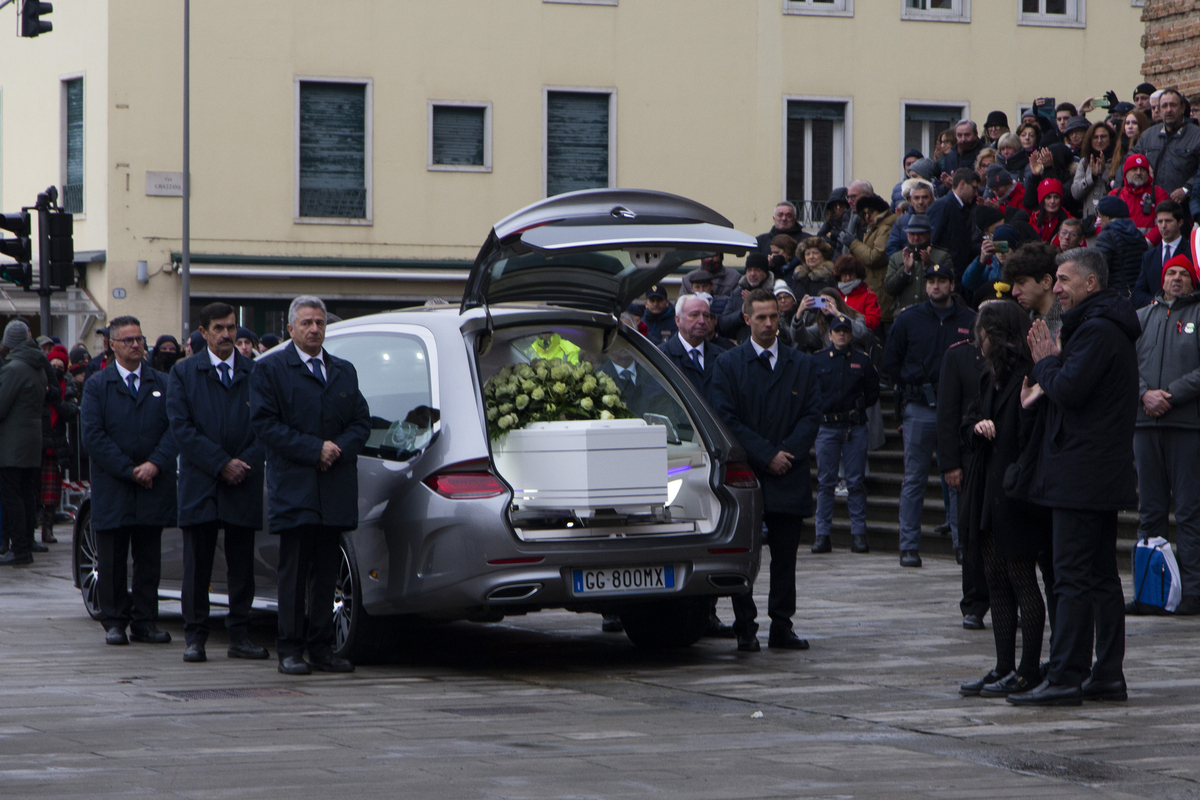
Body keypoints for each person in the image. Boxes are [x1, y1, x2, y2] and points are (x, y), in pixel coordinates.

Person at [1011, 248, 1138, 707]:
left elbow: (1068, 390)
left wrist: (1045, 360)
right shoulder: (1100, 327)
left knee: (1072, 578)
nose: (1057, 287)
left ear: (1091, 284)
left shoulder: (1098, 331)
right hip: (1094, 472)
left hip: (1082, 475)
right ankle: (1105, 675)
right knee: (1101, 576)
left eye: (1064, 280)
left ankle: (1066, 675)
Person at [250, 296, 370, 675]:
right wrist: (313, 449)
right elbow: (266, 426)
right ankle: (290, 648)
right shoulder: (270, 370)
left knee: (326, 572)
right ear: (290, 329)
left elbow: (361, 423)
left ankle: (321, 647)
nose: (314, 329)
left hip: (333, 488)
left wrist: (337, 449)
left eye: (319, 322)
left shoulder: (344, 371)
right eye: (306, 323)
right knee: (294, 572)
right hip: (296, 488)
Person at [710, 287, 822, 652]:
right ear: (746, 319)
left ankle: (782, 624)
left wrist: (787, 452)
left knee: (786, 557)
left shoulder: (801, 363)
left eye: (774, 316)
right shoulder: (729, 364)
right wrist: (765, 455)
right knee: (743, 554)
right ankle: (745, 624)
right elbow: (726, 419)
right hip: (748, 475)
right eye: (761, 317)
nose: (769, 324)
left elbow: (811, 413)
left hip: (789, 472)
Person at [167, 302, 269, 664]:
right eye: (219, 328)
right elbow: (182, 428)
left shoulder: (256, 373)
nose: (227, 334)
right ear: (204, 332)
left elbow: (266, 425)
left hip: (244, 479)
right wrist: (221, 463)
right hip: (202, 482)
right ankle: (195, 637)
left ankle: (240, 634)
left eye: (231, 327)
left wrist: (243, 463)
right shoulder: (184, 374)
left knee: (242, 566)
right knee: (197, 566)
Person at [958, 301, 1051, 698]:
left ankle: (1028, 670)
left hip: (1017, 493)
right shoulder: (989, 378)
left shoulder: (1028, 376)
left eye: (985, 333)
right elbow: (969, 419)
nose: (979, 341)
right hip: (988, 491)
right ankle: (1003, 666)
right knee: (995, 581)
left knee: (1021, 580)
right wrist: (976, 427)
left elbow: (1034, 434)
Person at [80, 315, 178, 645]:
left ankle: (145, 621)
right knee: (112, 559)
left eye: (139, 339)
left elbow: (175, 429)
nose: (137, 345)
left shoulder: (163, 383)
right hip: (115, 486)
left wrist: (154, 465)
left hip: (153, 484)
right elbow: (93, 436)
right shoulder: (97, 385)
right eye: (128, 340)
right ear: (112, 344)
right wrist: (130, 469)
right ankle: (115, 621)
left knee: (149, 558)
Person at [883, 263, 976, 567]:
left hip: (957, 411)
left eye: (942, 281)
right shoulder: (909, 318)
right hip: (920, 406)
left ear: (952, 285)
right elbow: (891, 362)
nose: (936, 286)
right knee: (914, 479)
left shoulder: (969, 319)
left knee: (956, 478)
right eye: (931, 281)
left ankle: (961, 543)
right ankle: (908, 546)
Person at [659, 294, 734, 638]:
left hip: (717, 454)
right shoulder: (662, 358)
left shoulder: (724, 357)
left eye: (706, 315)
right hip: (680, 457)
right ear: (678, 320)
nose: (701, 320)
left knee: (713, 532)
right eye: (693, 315)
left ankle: (709, 613)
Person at [1131, 254, 1200, 616]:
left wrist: (1170, 394)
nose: (1176, 278)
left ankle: (1193, 592)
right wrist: (1144, 393)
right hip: (1145, 425)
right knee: (1150, 511)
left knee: (1189, 512)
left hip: (1187, 426)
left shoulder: (1199, 315)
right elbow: (1124, 363)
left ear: (1192, 280)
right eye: (1170, 272)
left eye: (1182, 274)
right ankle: (1150, 592)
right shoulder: (1142, 317)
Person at [811, 315, 879, 555]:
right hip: (827, 426)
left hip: (853, 426)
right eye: (837, 331)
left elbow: (872, 393)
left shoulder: (862, 361)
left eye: (845, 331)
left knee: (855, 482)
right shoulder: (818, 360)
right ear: (829, 335)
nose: (841, 335)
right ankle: (822, 535)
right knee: (826, 482)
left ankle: (858, 535)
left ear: (850, 335)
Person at [938, 332, 989, 627]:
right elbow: (947, 413)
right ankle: (974, 603)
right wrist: (950, 464)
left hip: (1004, 458)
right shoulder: (958, 357)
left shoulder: (1016, 353)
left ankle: (1014, 598)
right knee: (971, 533)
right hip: (969, 457)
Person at [0, 322, 50, 567]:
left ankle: (19, 548)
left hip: (12, 445)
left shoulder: (14, 368)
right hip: (31, 441)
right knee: (27, 494)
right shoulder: (36, 365)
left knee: (13, 496)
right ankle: (26, 542)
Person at [1132, 89, 1200, 206]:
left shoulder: (1196, 135)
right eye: (1164, 106)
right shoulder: (1148, 135)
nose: (1168, 110)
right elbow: (1129, 160)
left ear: (1182, 108)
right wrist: (1142, 165)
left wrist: (1186, 189)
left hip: (1185, 206)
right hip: (1153, 206)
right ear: (1158, 109)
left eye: (1173, 105)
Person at [38, 344, 77, 546]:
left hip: (57, 444)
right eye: (53, 363)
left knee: (52, 494)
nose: (56, 367)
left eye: (60, 365)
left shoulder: (68, 386)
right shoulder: (39, 381)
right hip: (39, 444)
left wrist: (57, 399)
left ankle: (47, 528)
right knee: (36, 491)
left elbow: (71, 411)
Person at [883, 214, 954, 315]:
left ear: (929, 234)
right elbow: (889, 289)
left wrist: (930, 266)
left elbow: (950, 284)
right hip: (904, 315)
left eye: (920, 234)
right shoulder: (897, 257)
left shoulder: (942, 256)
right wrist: (905, 270)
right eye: (912, 234)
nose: (916, 238)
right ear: (907, 235)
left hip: (933, 315)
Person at [1132, 201, 1192, 308]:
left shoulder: (1192, 252)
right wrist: (1158, 302)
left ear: (1180, 223)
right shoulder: (1149, 257)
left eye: (1168, 221)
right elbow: (1137, 294)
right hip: (1157, 316)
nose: (1163, 226)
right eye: (1160, 221)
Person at [844, 195, 897, 315]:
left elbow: (874, 257)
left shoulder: (885, 228)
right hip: (876, 288)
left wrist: (853, 244)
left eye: (868, 212)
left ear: (878, 209)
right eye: (863, 215)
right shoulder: (875, 228)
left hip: (881, 292)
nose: (866, 217)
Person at [1109, 153, 1171, 247]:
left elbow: (1164, 223)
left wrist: (1145, 243)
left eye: (1142, 169)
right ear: (1126, 172)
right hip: (1119, 250)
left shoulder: (1159, 194)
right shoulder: (1114, 195)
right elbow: (1101, 223)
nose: (1138, 172)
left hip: (1149, 249)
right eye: (1134, 169)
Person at [1093, 195, 1149, 298]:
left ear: (1108, 217)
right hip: (1139, 295)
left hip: (1115, 298)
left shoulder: (1106, 236)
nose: (1100, 220)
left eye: (1100, 216)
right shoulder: (1138, 235)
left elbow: (1098, 269)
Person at [1005, 242, 1064, 339]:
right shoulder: (1024, 324)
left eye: (1021, 282)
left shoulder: (1071, 323)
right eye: (1014, 284)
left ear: (1046, 281)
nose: (1014, 292)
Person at [928, 167, 980, 274]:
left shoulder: (961, 208)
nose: (976, 194)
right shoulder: (943, 206)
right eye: (973, 188)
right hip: (945, 274)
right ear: (962, 184)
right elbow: (932, 241)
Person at [718, 253, 773, 343]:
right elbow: (723, 324)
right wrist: (741, 313)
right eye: (749, 270)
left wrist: (756, 304)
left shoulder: (776, 290)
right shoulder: (737, 293)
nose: (752, 274)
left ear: (765, 272)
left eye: (757, 270)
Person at [961, 225, 1021, 302]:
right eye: (998, 247)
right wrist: (981, 261)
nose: (1001, 253)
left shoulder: (1021, 268)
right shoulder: (991, 269)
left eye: (1005, 247)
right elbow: (968, 282)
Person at [1071, 122, 1117, 220]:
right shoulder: (1085, 162)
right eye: (1095, 137)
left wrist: (1105, 174)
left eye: (1103, 136)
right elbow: (1075, 192)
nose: (1099, 141)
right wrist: (1092, 177)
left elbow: (1120, 188)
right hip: (1089, 221)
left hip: (1111, 218)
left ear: (1110, 138)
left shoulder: (1117, 160)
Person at [886, 178, 936, 259]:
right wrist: (905, 266)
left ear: (932, 199)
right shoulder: (901, 221)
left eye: (925, 197)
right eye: (916, 198)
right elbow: (891, 249)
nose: (920, 201)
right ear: (911, 201)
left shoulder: (939, 218)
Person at [832, 255, 881, 332]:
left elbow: (874, 322)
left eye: (851, 274)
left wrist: (851, 319)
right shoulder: (834, 295)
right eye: (844, 275)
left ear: (857, 274)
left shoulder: (868, 295)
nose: (848, 278)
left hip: (859, 337)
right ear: (839, 276)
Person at [1029, 179, 1072, 244]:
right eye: (1048, 197)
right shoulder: (1033, 220)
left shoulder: (1070, 222)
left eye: (1056, 197)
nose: (1052, 201)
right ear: (1042, 201)